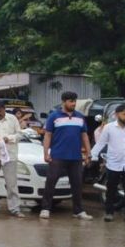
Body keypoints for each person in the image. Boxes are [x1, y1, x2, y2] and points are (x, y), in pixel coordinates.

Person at [40, 91, 93, 220]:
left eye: (75, 101)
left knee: (77, 184)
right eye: (71, 101)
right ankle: (45, 209)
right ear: (64, 102)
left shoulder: (80, 117)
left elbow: (84, 135)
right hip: (58, 155)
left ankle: (78, 211)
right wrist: (46, 153)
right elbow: (48, 135)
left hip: (75, 157)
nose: (73, 103)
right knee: (51, 182)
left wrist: (88, 153)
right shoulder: (54, 116)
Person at [91, 104, 125, 222]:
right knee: (111, 190)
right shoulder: (109, 127)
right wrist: (93, 155)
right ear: (116, 115)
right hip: (114, 164)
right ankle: (109, 213)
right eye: (124, 114)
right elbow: (100, 143)